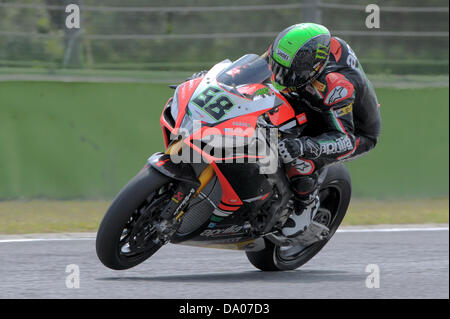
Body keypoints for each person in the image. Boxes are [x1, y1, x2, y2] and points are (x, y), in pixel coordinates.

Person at [266, 23, 381, 238]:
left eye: (287, 73)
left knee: (300, 158)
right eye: (278, 67)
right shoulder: (295, 53)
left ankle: (306, 204)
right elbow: (257, 67)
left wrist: (303, 145)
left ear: (314, 68)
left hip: (353, 130)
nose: (279, 77)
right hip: (315, 104)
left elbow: (344, 139)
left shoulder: (337, 85)